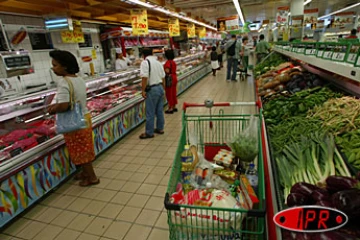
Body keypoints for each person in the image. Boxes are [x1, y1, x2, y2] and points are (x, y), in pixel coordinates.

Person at [47, 50, 99, 187]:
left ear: (65, 66)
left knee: (81, 150)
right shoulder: (78, 78)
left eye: (55, 65)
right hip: (84, 117)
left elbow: (64, 106)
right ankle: (85, 173)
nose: (53, 68)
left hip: (74, 121)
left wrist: (52, 108)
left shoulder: (64, 82)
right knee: (83, 148)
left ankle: (92, 177)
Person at [139, 48, 166, 139]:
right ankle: (160, 128)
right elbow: (163, 77)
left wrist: (143, 90)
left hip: (152, 89)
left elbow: (144, 77)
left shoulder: (145, 62)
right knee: (159, 110)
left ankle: (149, 132)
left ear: (143, 55)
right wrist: (163, 89)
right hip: (160, 87)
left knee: (150, 112)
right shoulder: (158, 62)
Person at [164, 49, 178, 114]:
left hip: (169, 79)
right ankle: (174, 106)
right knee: (173, 93)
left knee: (169, 93)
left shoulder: (167, 62)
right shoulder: (173, 62)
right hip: (174, 77)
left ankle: (170, 108)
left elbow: (167, 71)